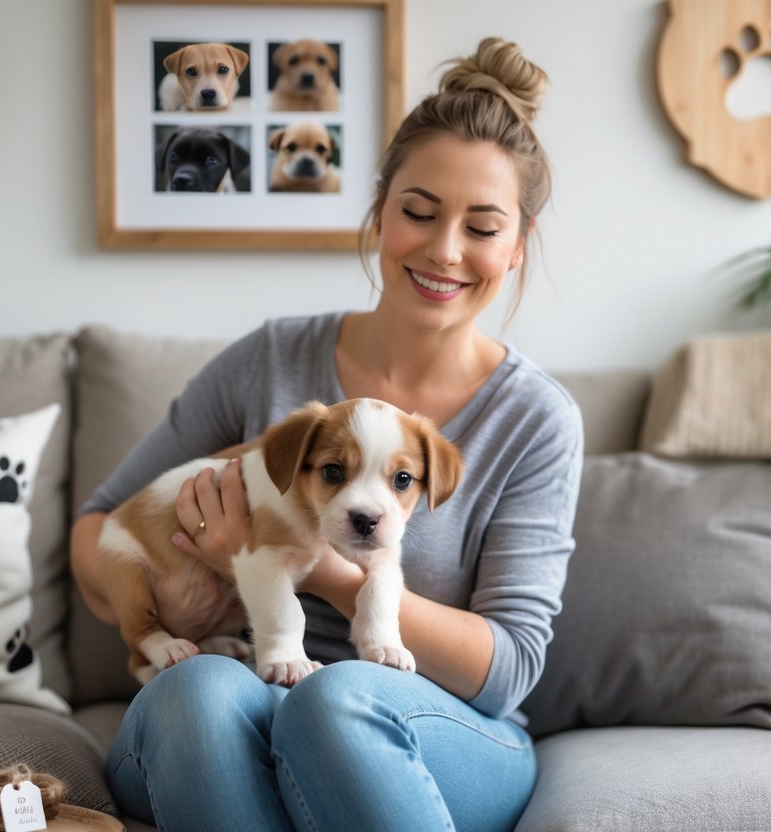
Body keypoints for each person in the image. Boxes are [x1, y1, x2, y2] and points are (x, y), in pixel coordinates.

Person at [70, 37, 583, 832]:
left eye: (481, 228)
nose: (444, 249)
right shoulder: (271, 358)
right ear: (380, 213)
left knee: (333, 700)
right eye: (418, 212)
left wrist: (328, 576)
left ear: (515, 248)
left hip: (426, 729)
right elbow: (99, 527)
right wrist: (174, 595)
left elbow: (507, 671)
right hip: (233, 707)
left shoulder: (534, 418)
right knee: (203, 693)